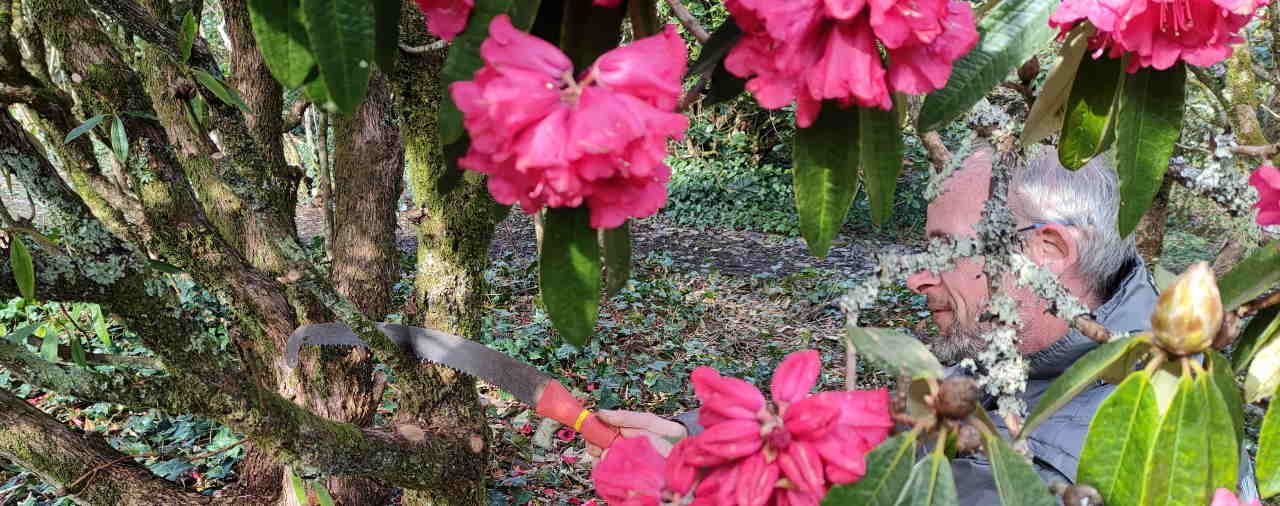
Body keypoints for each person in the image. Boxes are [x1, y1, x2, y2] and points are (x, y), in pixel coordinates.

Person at [586, 143, 1259, 503]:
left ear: (1047, 252)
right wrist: (704, 444)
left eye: (944, 246)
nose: (916, 275)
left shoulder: (1080, 460)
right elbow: (885, 440)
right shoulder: (1020, 351)